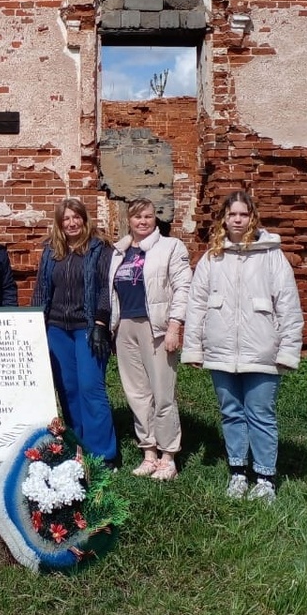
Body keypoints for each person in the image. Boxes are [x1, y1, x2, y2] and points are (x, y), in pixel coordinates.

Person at [182, 190, 304, 503]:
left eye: (243, 214)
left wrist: (288, 349)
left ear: (252, 217)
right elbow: (196, 304)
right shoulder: (213, 256)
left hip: (262, 350)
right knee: (231, 413)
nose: (237, 219)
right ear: (224, 217)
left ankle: (265, 478)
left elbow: (288, 304)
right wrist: (194, 347)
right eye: (232, 214)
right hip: (222, 351)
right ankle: (238, 473)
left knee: (261, 414)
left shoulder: (270, 255)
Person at [107, 198, 192, 481]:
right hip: (125, 326)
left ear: (155, 218)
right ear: (128, 220)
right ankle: (149, 452)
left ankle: (169, 456)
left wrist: (174, 326)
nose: (143, 221)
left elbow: (183, 287)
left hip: (156, 327)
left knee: (162, 392)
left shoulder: (170, 247)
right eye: (137, 217)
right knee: (137, 393)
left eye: (148, 216)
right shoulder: (118, 251)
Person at [32, 198, 118, 468]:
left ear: (84, 219)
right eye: (65, 219)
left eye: (75, 217)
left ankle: (104, 454)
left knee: (91, 387)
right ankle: (77, 448)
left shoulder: (99, 249)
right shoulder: (50, 251)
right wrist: (35, 325)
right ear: (59, 224)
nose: (71, 223)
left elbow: (106, 287)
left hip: (88, 326)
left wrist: (101, 325)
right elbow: (41, 290)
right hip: (57, 328)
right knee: (67, 389)